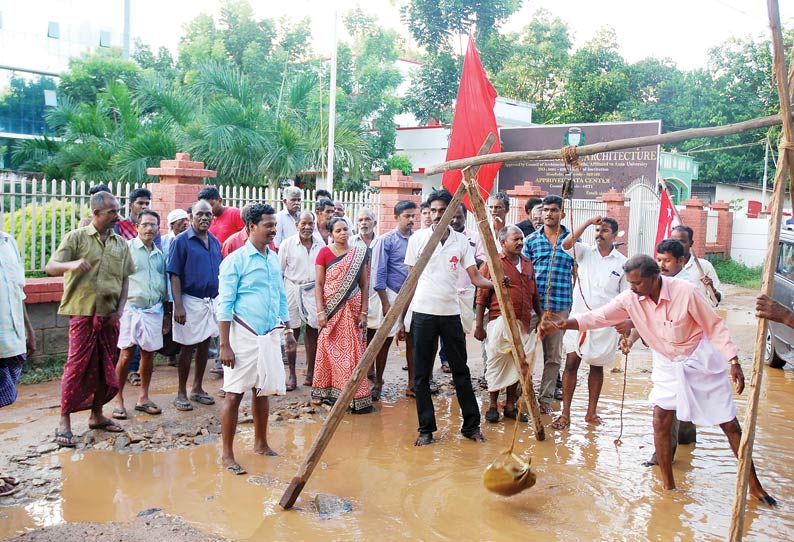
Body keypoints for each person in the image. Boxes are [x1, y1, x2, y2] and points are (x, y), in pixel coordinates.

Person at [539, 255, 776, 506]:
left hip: (699, 358)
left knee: (729, 424)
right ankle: (668, 486)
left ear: (655, 278)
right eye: (630, 283)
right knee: (660, 418)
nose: (632, 288)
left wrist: (734, 360)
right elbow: (599, 316)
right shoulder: (630, 298)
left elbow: (714, 326)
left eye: (637, 283)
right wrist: (564, 324)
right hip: (666, 361)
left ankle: (755, 487)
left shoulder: (686, 292)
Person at [404, 189, 497, 446]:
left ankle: (471, 426)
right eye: (432, 211)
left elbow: (475, 277)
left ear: (451, 212)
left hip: (450, 313)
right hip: (423, 312)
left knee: (461, 372)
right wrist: (403, 317)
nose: (436, 215)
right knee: (422, 375)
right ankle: (426, 429)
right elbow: (410, 282)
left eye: (441, 210)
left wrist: (497, 283)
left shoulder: (460, 242)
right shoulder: (418, 240)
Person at [45, 191, 135, 447]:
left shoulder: (120, 243)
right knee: (77, 367)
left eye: (117, 211)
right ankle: (64, 420)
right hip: (83, 313)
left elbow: (125, 279)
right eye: (112, 212)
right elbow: (51, 266)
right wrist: (71, 265)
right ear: (96, 213)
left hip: (109, 316)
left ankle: (97, 415)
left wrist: (119, 311)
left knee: (106, 366)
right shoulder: (76, 237)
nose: (117, 217)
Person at [217, 203, 296, 475]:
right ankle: (227, 454)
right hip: (242, 336)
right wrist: (224, 344)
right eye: (268, 225)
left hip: (270, 334)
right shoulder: (235, 261)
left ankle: (261, 443)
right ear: (251, 226)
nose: (274, 230)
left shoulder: (272, 258)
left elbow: (281, 296)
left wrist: (288, 330)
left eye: (274, 225)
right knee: (234, 393)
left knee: (264, 390)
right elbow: (224, 305)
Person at [553, 216, 626, 431]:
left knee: (597, 366)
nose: (599, 234)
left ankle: (591, 412)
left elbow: (624, 298)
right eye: (597, 231)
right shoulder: (584, 252)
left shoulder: (622, 262)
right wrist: (587, 223)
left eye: (604, 231)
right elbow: (565, 244)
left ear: (614, 235)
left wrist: (623, 330)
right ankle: (565, 413)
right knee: (571, 364)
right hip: (578, 318)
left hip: (604, 322)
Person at [474, 225, 541, 423]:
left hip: (523, 322)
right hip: (498, 322)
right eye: (516, 239)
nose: (521, 242)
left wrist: (541, 315)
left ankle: (510, 406)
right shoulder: (493, 263)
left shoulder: (527, 263)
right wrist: (479, 325)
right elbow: (481, 297)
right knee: (496, 361)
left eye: (522, 239)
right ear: (503, 242)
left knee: (517, 363)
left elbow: (534, 293)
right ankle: (493, 406)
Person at [312, 217, 374, 413]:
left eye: (345, 229)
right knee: (327, 348)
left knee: (353, 352)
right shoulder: (323, 253)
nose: (343, 233)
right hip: (331, 310)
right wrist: (321, 311)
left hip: (353, 309)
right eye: (338, 231)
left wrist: (364, 312)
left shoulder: (359, 253)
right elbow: (319, 285)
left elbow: (364, 285)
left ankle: (355, 394)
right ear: (330, 234)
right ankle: (327, 391)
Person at [167, 200, 222, 411]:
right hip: (189, 301)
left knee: (204, 346)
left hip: (209, 302)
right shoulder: (181, 241)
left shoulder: (215, 242)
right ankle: (181, 391)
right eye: (200, 214)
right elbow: (174, 275)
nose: (204, 218)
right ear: (191, 217)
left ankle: (197, 388)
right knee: (187, 346)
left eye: (208, 215)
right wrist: (178, 306)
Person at [112, 210, 167, 420]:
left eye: (153, 225)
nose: (149, 229)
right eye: (145, 224)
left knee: (148, 354)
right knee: (126, 354)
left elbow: (163, 284)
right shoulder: (126, 250)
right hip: (130, 309)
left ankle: (143, 398)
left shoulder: (159, 255)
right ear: (136, 227)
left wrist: (166, 312)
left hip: (153, 310)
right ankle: (118, 399)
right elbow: (116, 279)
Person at [522, 195, 575, 413]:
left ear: (562, 214)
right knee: (524, 352)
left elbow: (579, 272)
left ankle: (545, 399)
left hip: (560, 305)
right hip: (534, 305)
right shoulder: (531, 241)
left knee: (553, 356)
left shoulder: (572, 241)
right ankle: (522, 395)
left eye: (554, 210)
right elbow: (524, 273)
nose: (548, 214)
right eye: (545, 210)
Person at [374, 201, 418, 398]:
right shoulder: (386, 240)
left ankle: (412, 384)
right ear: (396, 217)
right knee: (385, 340)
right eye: (407, 216)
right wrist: (385, 302)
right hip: (392, 294)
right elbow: (380, 273)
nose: (411, 220)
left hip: (414, 295)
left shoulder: (417, 239)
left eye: (413, 216)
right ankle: (378, 382)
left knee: (412, 340)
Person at [279, 211, 323, 390]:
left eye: (310, 223)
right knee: (292, 331)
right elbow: (279, 272)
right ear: (297, 225)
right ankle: (292, 375)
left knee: (313, 330)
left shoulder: (320, 244)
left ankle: (311, 372)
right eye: (303, 223)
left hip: (313, 290)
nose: (307, 227)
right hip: (291, 288)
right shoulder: (287, 244)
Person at [0, 227, 36, 409]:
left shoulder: (8, 242)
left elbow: (18, 290)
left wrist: (28, 331)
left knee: (4, 397)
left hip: (9, 340)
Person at [670, 225, 723, 305]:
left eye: (682, 241)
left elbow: (716, 300)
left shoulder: (704, 266)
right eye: (673, 241)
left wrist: (712, 289)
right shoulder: (664, 268)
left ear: (691, 243)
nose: (677, 245)